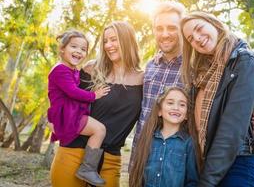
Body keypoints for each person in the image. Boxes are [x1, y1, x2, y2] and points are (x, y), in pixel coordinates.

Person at [130, 1, 254, 168]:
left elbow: (225, 104)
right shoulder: (151, 66)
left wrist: (251, 122)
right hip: (140, 157)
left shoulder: (201, 69)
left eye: (172, 28)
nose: (165, 34)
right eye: (159, 28)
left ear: (183, 31)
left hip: (177, 163)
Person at [50, 22, 143, 187]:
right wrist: (55, 116)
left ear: (127, 40)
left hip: (110, 158)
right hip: (73, 151)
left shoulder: (145, 79)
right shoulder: (92, 68)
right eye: (105, 41)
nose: (108, 45)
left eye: (114, 40)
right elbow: (66, 95)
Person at [181, 11, 254, 186]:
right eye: (190, 39)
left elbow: (231, 130)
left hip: (236, 164)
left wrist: (207, 181)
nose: (197, 38)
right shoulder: (201, 72)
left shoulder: (244, 61)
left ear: (214, 23)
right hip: (204, 161)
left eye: (199, 28)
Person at [47, 30, 110, 186]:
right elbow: (73, 92)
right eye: (74, 46)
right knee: (100, 130)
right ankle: (87, 168)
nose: (79, 51)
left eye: (83, 49)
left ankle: (87, 167)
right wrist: (95, 95)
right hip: (66, 115)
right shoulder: (60, 69)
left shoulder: (72, 70)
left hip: (68, 112)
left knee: (98, 129)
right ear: (62, 49)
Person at [129, 87, 199, 187]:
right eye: (170, 103)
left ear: (187, 115)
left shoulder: (189, 143)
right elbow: (138, 174)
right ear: (159, 111)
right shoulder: (148, 139)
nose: (176, 107)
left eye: (182, 104)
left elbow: (193, 181)